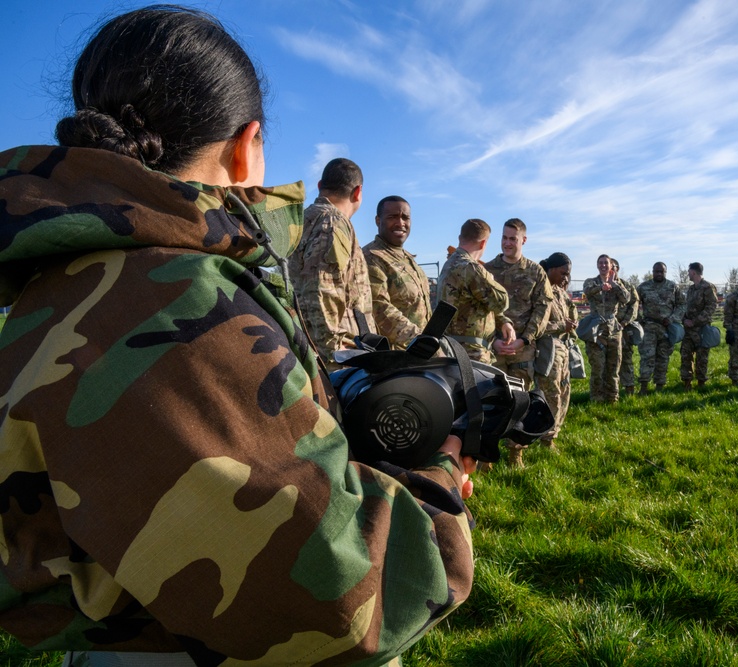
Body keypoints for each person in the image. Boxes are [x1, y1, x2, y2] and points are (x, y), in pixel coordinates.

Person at [0, 7, 474, 666]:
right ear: (246, 145)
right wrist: (439, 481)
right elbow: (343, 602)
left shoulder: (47, 286)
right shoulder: (173, 293)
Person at [287, 157, 373, 368]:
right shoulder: (332, 223)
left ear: (319, 186)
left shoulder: (304, 219)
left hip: (312, 348)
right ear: (358, 192)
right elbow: (322, 289)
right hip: (335, 360)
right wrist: (334, 350)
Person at [483, 218, 553, 468]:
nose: (507, 243)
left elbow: (543, 309)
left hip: (523, 349)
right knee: (490, 398)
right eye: (504, 237)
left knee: (520, 401)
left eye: (513, 238)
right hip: (495, 349)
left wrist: (525, 340)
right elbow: (482, 309)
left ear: (523, 240)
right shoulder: (487, 269)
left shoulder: (535, 272)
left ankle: (516, 453)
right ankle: (485, 452)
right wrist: (492, 342)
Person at [437, 218, 515, 362]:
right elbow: (501, 301)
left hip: (452, 348)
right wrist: (490, 279)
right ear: (483, 243)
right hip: (471, 353)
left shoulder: (449, 264)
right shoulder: (471, 268)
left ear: (460, 238)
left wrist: (502, 320)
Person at [363, 196, 433, 350]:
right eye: (392, 217)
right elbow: (379, 309)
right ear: (377, 220)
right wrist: (421, 342)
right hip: (395, 358)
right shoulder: (371, 257)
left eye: (405, 217)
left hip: (420, 354)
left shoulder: (408, 259)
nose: (400, 223)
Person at [535, 253, 575, 450]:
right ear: (551, 269)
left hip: (562, 349)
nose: (565, 277)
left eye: (568, 274)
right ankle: (546, 438)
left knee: (564, 391)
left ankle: (553, 434)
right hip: (546, 349)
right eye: (563, 273)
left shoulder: (559, 290)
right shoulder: (540, 289)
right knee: (551, 394)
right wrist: (561, 325)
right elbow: (537, 326)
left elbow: (568, 313)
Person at [582, 254, 630, 402]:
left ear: (611, 266)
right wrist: (601, 287)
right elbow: (587, 291)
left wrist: (614, 285)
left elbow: (626, 299)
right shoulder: (591, 282)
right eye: (600, 263)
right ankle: (597, 398)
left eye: (606, 263)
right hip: (596, 329)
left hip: (613, 329)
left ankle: (612, 397)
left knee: (614, 366)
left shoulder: (618, 284)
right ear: (597, 265)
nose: (603, 265)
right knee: (598, 367)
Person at [637, 261, 685, 394]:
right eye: (656, 271)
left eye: (661, 271)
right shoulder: (643, 287)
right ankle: (644, 387)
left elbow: (682, 305)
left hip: (666, 329)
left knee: (663, 357)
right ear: (652, 272)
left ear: (665, 272)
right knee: (647, 357)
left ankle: (660, 386)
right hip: (649, 328)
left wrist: (672, 319)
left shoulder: (672, 286)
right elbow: (633, 305)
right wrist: (640, 321)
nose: (658, 274)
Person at [679, 262, 718, 390]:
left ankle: (701, 383)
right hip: (688, 330)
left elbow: (711, 307)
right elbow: (686, 307)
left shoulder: (708, 287)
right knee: (685, 355)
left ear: (694, 272)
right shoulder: (691, 289)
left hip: (702, 329)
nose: (688, 274)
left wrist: (695, 321)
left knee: (702, 357)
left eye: (689, 271)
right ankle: (687, 382)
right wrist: (684, 319)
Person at [612, 259, 641, 395]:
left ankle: (629, 388)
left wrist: (624, 323)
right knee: (608, 361)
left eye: (613, 267)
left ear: (617, 268)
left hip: (623, 328)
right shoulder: (599, 285)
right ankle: (610, 389)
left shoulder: (627, 286)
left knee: (626, 359)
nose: (610, 269)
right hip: (605, 330)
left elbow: (634, 307)